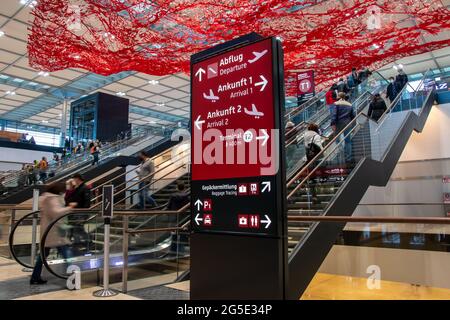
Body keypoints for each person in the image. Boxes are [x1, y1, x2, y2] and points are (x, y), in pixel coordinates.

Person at [30, 182, 76, 284]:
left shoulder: (46, 197)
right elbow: (56, 212)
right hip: (55, 231)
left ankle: (35, 277)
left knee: (42, 256)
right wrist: (70, 207)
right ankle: (73, 279)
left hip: (48, 231)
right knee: (67, 255)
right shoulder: (52, 198)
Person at [331, 92, 355, 163]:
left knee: (337, 140)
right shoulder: (350, 104)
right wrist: (353, 125)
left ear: (339, 96)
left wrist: (333, 124)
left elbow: (334, 115)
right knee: (348, 141)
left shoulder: (336, 104)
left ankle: (341, 153)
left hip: (338, 123)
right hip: (348, 124)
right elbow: (352, 116)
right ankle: (348, 158)